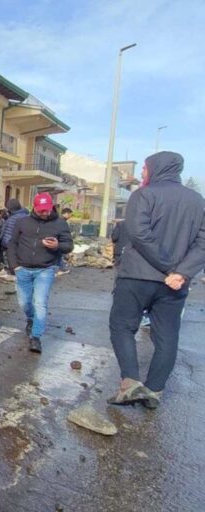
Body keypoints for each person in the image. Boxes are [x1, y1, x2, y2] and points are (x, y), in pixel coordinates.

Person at [108, 151, 205, 409]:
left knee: (122, 326)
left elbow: (138, 234)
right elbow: (202, 244)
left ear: (156, 168)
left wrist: (168, 267)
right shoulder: (198, 200)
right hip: (174, 284)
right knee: (167, 336)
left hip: (138, 276)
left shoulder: (144, 195)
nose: (142, 173)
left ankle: (130, 384)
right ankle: (154, 391)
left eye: (144, 168)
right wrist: (181, 272)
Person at [8, 192, 74, 353]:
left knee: (40, 303)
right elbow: (12, 244)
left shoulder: (60, 223)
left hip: (46, 269)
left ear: (51, 207)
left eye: (46, 210)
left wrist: (57, 245)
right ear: (34, 208)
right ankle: (31, 319)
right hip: (22, 268)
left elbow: (69, 246)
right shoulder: (22, 222)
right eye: (40, 210)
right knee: (24, 302)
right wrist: (14, 265)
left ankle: (36, 337)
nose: (44, 213)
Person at [0, 198, 29, 271]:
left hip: (12, 245)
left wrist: (5, 244)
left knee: (13, 265)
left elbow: (7, 233)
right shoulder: (26, 216)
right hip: (22, 246)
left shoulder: (13, 218)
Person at [56, 207, 74, 275]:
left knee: (58, 256)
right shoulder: (62, 221)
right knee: (58, 255)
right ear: (66, 213)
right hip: (60, 241)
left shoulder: (59, 220)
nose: (70, 216)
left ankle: (61, 268)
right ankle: (61, 268)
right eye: (70, 215)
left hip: (58, 241)